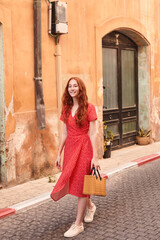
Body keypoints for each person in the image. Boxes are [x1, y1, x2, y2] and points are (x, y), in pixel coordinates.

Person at [50, 77, 100, 238]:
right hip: (71, 149)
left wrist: (95, 157)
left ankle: (78, 224)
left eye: (75, 86)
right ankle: (90, 206)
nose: (72, 88)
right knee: (76, 182)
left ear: (80, 88)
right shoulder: (66, 108)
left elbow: (93, 133)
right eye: (70, 86)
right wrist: (59, 153)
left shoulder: (89, 107)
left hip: (85, 148)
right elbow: (64, 132)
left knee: (81, 184)